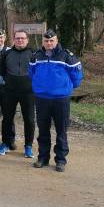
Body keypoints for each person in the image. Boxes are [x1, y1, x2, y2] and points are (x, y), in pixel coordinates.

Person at [29, 30, 83, 172]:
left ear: (56, 41)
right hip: (42, 99)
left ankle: (60, 160)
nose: (49, 43)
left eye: (51, 40)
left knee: (61, 130)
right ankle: (43, 158)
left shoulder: (66, 56)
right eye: (46, 41)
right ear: (43, 42)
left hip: (60, 99)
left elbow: (76, 75)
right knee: (43, 130)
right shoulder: (36, 56)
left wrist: (66, 88)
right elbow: (31, 73)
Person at [0, 30, 35, 158]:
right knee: (7, 119)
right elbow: (2, 70)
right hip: (10, 91)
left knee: (29, 120)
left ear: (27, 40)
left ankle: (28, 146)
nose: (20, 40)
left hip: (28, 92)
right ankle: (5, 143)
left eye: (22, 38)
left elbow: (37, 71)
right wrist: (8, 81)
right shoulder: (7, 53)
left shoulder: (33, 54)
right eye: (17, 38)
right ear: (13, 40)